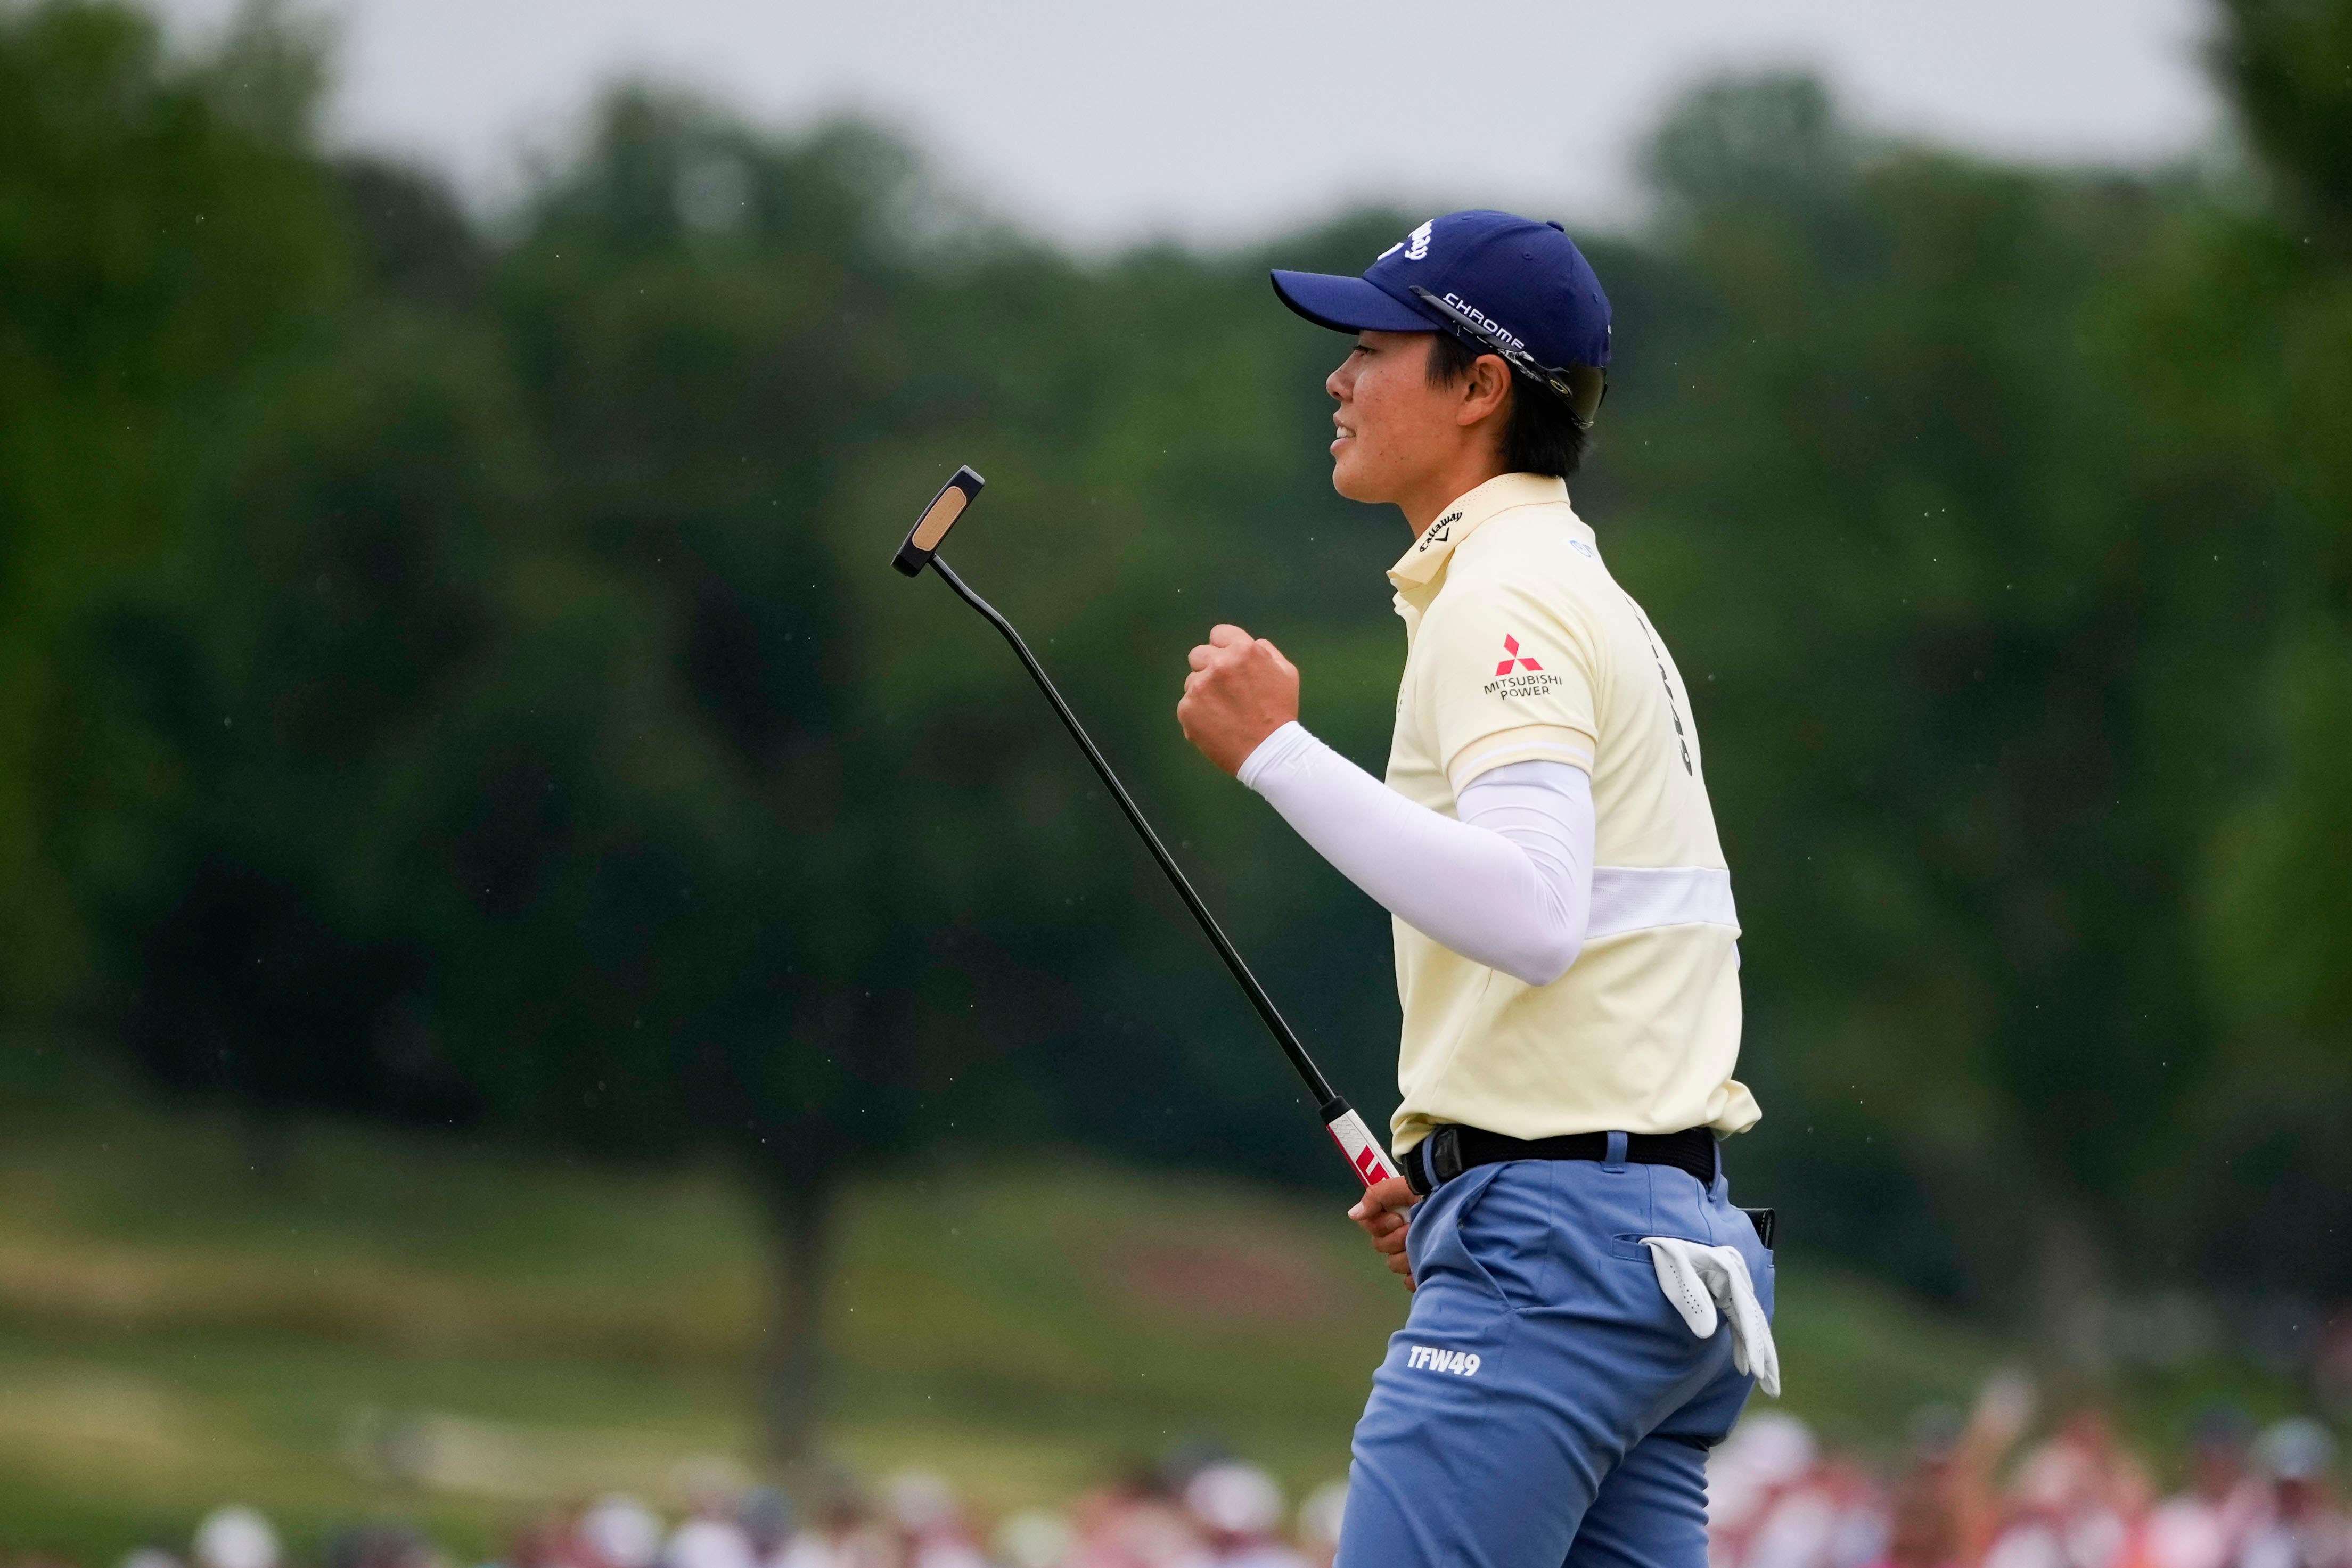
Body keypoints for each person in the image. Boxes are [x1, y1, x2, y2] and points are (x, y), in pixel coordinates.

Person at [1175, 209, 1773, 1568]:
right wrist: (1457, 1171)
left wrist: (1272, 751)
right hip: (1652, 1240)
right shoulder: (1568, 582)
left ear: (1479, 386)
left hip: (1561, 1260)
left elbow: (1531, 914)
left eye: (1375, 346)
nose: (1337, 377)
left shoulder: (1502, 598)